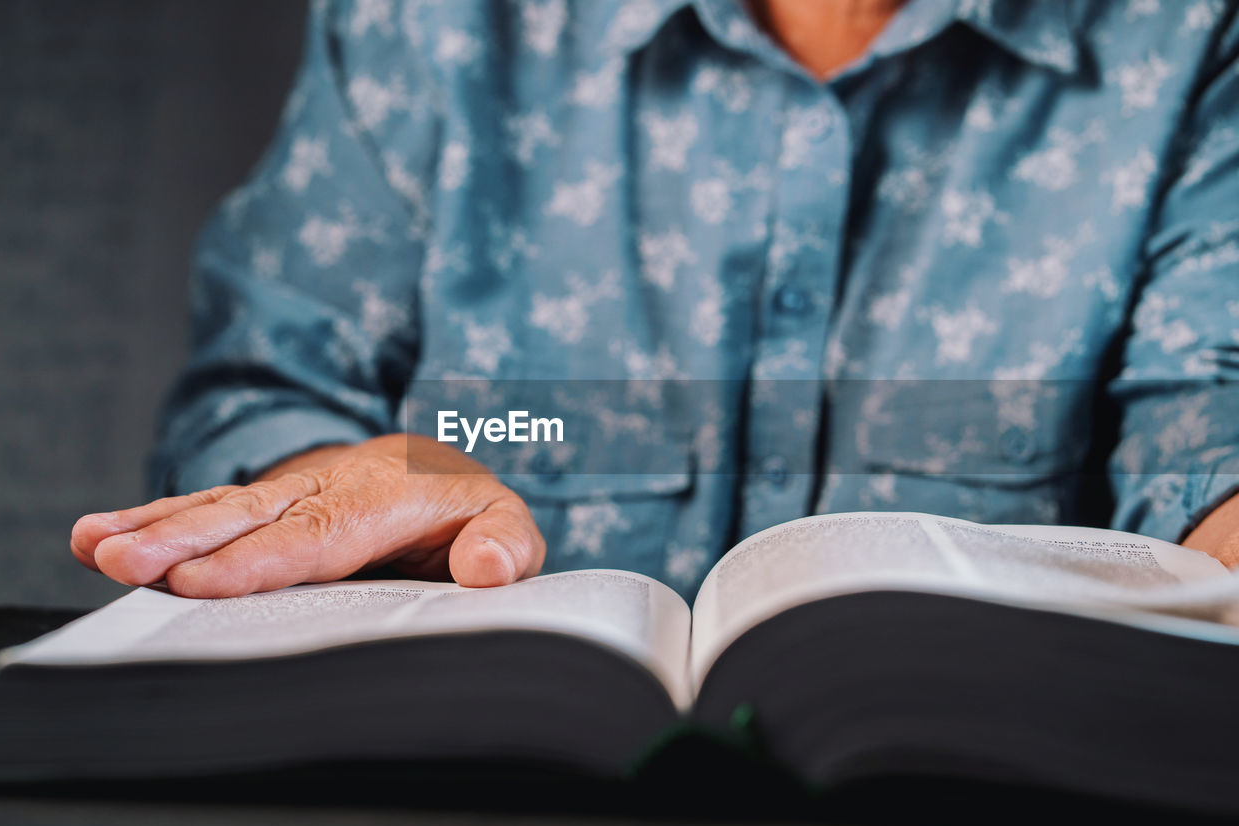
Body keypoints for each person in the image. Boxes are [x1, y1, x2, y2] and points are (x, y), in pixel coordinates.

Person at [72, 0, 1239, 600]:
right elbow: (259, 392)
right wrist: (390, 476)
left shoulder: (1187, 39)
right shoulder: (437, 24)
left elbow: (1205, 428)